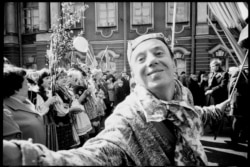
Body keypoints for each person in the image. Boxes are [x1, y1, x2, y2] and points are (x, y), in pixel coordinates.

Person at [3, 33, 230, 166]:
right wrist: (26, 156)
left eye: (159, 53)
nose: (151, 61)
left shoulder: (184, 98)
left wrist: (226, 105)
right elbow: (94, 155)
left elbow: (199, 115)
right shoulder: (127, 117)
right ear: (134, 75)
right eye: (141, 58)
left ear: (173, 61)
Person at [3, 64, 46, 144]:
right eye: (26, 84)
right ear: (16, 88)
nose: (29, 87)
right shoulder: (6, 110)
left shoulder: (26, 101)